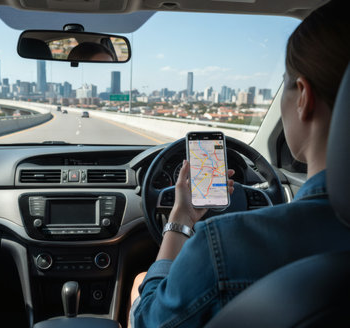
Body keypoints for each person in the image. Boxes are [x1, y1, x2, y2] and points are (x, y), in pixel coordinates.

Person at [130, 0, 350, 326]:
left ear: (303, 97)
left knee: (141, 286)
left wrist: (180, 220)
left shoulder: (220, 247)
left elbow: (151, 321)